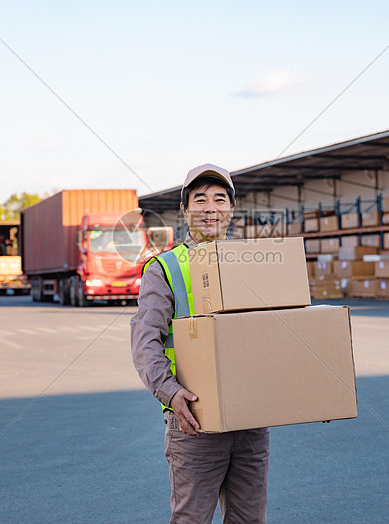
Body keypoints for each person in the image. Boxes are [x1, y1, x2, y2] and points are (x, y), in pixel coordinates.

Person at [131, 164, 270, 524]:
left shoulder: (252, 264)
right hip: (194, 420)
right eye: (200, 199)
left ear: (231, 209)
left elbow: (272, 333)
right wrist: (170, 393)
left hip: (250, 420)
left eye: (220, 199)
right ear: (185, 210)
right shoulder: (164, 268)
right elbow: (146, 341)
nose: (211, 208)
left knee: (250, 520)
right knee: (192, 519)